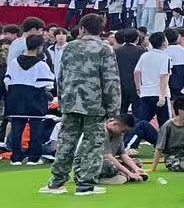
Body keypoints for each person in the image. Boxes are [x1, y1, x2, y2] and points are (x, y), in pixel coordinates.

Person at [39, 15, 122, 196]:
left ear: (82, 28)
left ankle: (56, 182)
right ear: (100, 30)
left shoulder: (69, 47)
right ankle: (85, 184)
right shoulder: (105, 49)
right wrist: (114, 108)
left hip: (70, 102)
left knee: (66, 142)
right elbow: (111, 81)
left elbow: (61, 77)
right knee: (92, 145)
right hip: (95, 104)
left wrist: (61, 100)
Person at [5, 32, 55, 166]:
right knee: (36, 129)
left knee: (17, 128)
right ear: (40, 47)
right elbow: (49, 84)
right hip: (35, 98)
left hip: (17, 98)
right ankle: (34, 158)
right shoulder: (41, 65)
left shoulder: (14, 63)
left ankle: (16, 158)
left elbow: (7, 81)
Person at [152, 95, 184, 172]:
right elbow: (159, 148)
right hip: (173, 158)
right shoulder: (167, 126)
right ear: (180, 111)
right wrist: (153, 168)